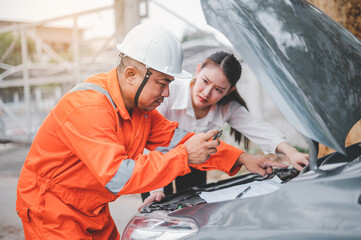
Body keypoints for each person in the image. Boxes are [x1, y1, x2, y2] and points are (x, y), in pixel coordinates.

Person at [16, 24, 286, 239]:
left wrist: (242, 159)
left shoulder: (140, 111)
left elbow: (180, 138)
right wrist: (182, 158)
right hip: (52, 208)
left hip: (91, 207)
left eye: (169, 83)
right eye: (162, 83)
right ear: (132, 74)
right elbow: (118, 176)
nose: (167, 93)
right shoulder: (88, 107)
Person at [140, 51, 309, 207]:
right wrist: (156, 190)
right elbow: (149, 144)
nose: (206, 93)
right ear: (198, 70)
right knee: (158, 211)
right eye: (205, 81)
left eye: (218, 90)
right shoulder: (169, 91)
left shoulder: (227, 108)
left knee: (195, 210)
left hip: (195, 163)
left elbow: (260, 130)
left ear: (230, 90)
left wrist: (292, 153)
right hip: (156, 160)